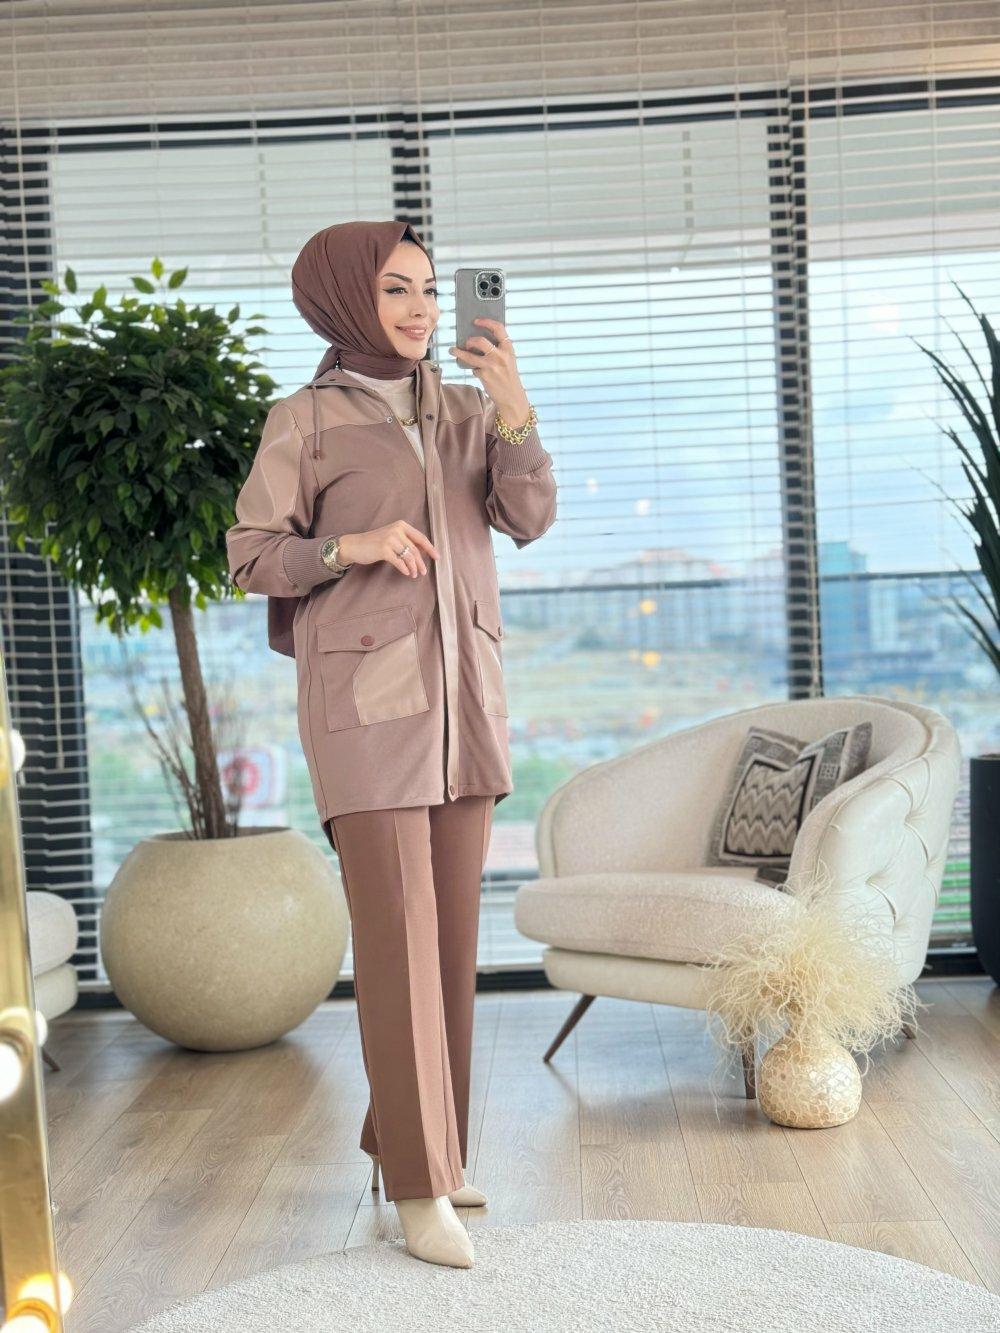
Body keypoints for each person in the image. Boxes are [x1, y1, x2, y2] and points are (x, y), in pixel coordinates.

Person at [226, 219, 557, 1268]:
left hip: (466, 702)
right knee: (398, 941)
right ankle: (418, 1187)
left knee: (448, 941)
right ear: (342, 300)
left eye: (427, 289)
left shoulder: (466, 408)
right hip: (364, 710)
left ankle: (423, 1151)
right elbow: (250, 555)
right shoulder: (305, 420)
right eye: (394, 290)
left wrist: (512, 404)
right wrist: (348, 546)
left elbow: (528, 518)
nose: (419, 310)